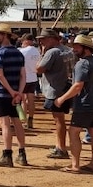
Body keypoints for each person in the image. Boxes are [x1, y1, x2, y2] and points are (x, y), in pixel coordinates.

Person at [55, 34, 93, 172]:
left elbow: (78, 86)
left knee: (73, 132)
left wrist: (62, 98)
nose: (74, 49)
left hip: (85, 104)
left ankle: (75, 165)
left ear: (86, 48)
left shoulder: (82, 64)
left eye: (77, 46)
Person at [0, 23, 28, 167]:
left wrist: (12, 92)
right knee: (17, 122)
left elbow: (0, 75)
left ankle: (7, 155)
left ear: (5, 35)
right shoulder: (19, 53)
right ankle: (22, 154)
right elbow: (23, 75)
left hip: (2, 93)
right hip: (16, 93)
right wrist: (19, 93)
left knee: (5, 124)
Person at [36, 28, 72, 159]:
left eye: (43, 39)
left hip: (54, 89)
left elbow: (39, 69)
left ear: (52, 39)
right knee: (60, 120)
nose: (41, 43)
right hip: (66, 87)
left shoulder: (52, 52)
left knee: (58, 120)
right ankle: (60, 146)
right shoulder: (67, 50)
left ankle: (61, 148)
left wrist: (42, 54)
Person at [18, 33, 40, 129]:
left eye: (22, 41)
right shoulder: (37, 51)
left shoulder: (22, 51)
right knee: (31, 100)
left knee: (23, 100)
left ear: (26, 41)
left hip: (24, 77)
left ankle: (23, 120)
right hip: (33, 77)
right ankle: (31, 118)